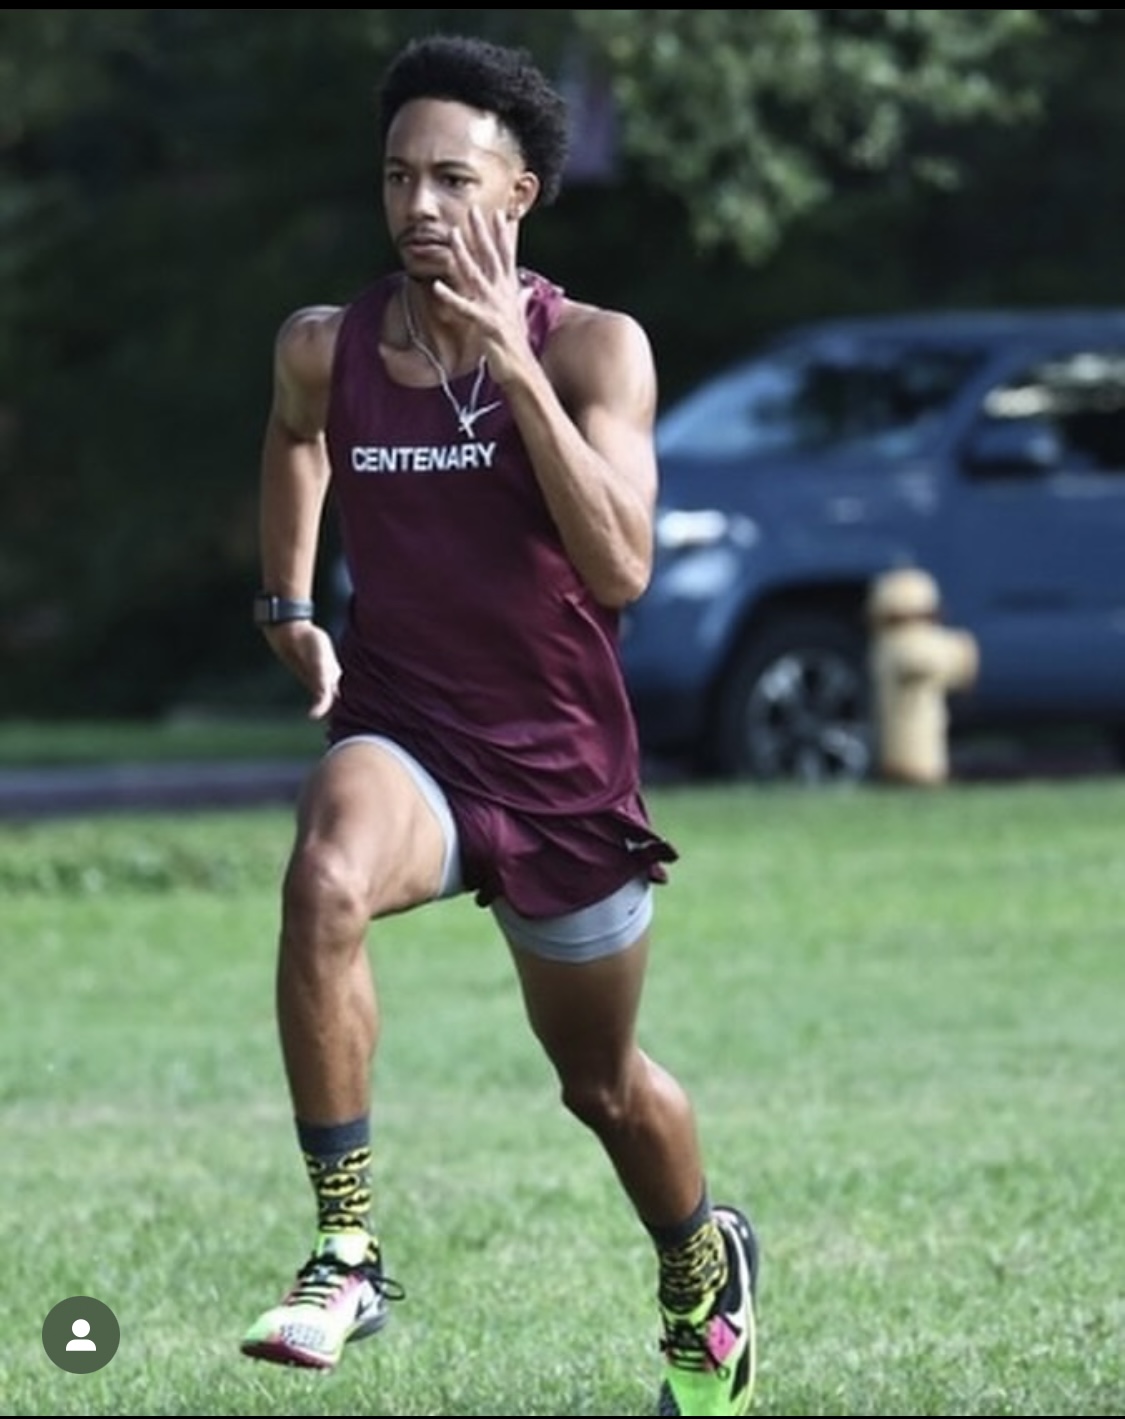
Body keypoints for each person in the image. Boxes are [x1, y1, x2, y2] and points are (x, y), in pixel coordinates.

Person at [240, 32, 759, 1417]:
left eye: (451, 180)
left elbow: (622, 569)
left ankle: (699, 1277)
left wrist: (514, 379)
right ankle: (346, 1249)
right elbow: (297, 432)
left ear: (519, 194)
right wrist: (289, 596)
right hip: (405, 729)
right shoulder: (328, 346)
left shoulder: (594, 349)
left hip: (560, 770)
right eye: (397, 177)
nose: (417, 207)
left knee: (599, 1088)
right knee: (324, 878)